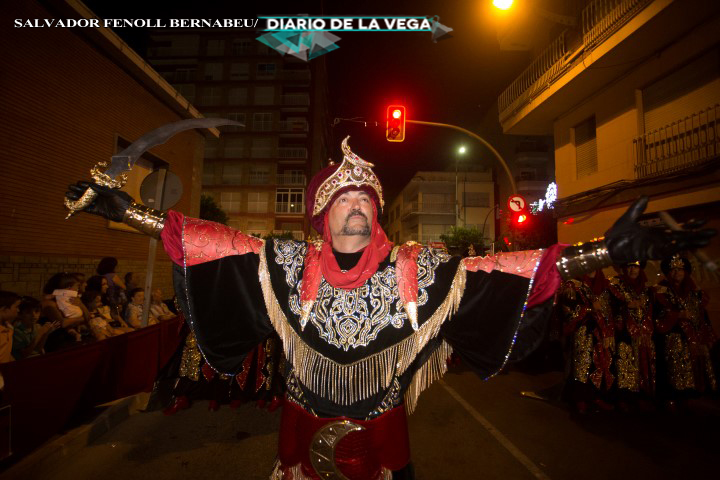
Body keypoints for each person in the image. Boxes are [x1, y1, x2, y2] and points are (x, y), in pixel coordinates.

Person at [67, 137, 715, 479]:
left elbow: (507, 271)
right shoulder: (283, 264)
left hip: (384, 448)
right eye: (341, 202)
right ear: (321, 216)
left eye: (364, 202)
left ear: (376, 214)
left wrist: (602, 251)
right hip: (298, 448)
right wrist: (124, 211)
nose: (354, 209)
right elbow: (212, 244)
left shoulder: (418, 270)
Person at [654, 254, 717, 410]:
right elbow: (657, 314)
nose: (677, 273)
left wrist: (708, 335)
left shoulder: (694, 292)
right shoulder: (661, 291)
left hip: (694, 335)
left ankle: (696, 395)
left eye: (680, 270)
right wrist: (677, 315)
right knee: (674, 365)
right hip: (672, 334)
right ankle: (675, 395)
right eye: (673, 270)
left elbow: (702, 314)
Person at [559, 269, 615, 413]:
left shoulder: (605, 287)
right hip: (582, 332)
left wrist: (608, 332)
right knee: (582, 365)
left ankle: (595, 396)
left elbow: (608, 311)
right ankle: (580, 398)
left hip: (600, 334)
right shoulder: (574, 286)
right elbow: (568, 313)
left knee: (600, 365)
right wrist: (589, 309)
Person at [608, 261, 656, 411]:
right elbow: (609, 307)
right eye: (629, 266)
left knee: (643, 363)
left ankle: (643, 395)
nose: (632, 270)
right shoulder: (615, 286)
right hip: (623, 332)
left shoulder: (647, 290)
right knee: (624, 363)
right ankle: (624, 397)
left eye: (635, 266)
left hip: (644, 333)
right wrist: (626, 306)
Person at [0, 291, 21, 364]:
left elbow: (6, 353)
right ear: (3, 309)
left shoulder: (9, 327)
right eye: (16, 307)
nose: (18, 310)